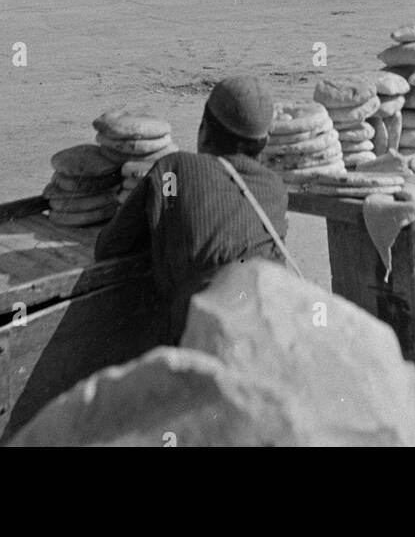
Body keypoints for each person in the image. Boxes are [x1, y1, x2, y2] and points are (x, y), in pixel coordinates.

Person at [94, 75, 290, 346]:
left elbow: (109, 246)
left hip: (207, 334)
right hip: (273, 324)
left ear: (204, 130)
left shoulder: (174, 170)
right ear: (264, 143)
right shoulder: (275, 187)